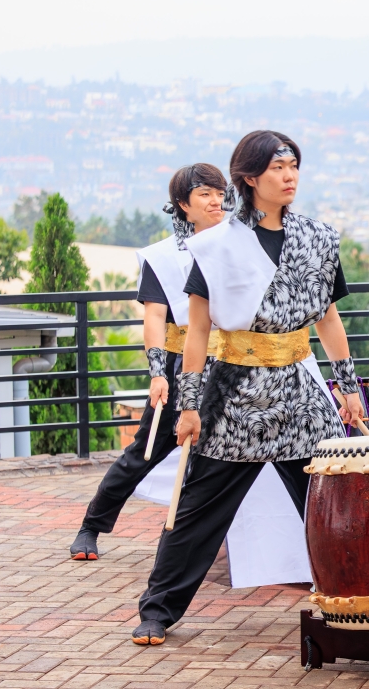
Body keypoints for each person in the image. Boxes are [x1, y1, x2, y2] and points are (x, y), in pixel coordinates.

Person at [132, 131, 365, 645]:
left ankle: (364, 596)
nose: (289, 177)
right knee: (196, 508)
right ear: (249, 177)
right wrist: (189, 406)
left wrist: (347, 387)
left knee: (334, 502)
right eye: (278, 168)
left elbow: (328, 318)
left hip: (301, 391)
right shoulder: (216, 243)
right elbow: (197, 330)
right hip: (234, 390)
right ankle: (158, 609)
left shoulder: (319, 238)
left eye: (294, 166)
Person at [69, 164, 226, 561]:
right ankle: (92, 526)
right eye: (205, 193)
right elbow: (155, 318)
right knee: (145, 450)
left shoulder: (236, 245)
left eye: (220, 193)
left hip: (232, 365)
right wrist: (158, 374)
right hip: (180, 367)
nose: (216, 201)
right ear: (182, 204)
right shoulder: (162, 257)